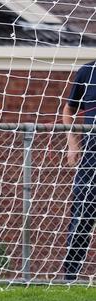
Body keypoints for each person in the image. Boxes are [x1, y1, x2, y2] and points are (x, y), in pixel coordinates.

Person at [62, 61, 96, 282]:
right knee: (82, 216)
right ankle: (70, 276)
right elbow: (69, 109)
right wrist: (73, 143)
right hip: (91, 160)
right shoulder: (87, 71)